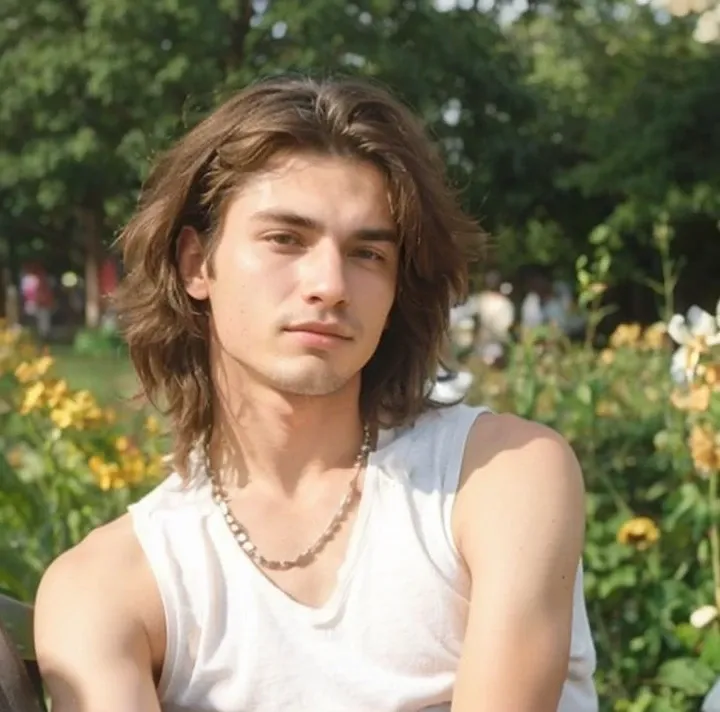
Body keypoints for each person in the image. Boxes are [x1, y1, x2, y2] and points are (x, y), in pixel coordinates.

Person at [33, 76, 597, 712]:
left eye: (366, 254)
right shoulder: (107, 589)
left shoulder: (500, 477)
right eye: (285, 239)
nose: (329, 284)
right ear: (197, 264)